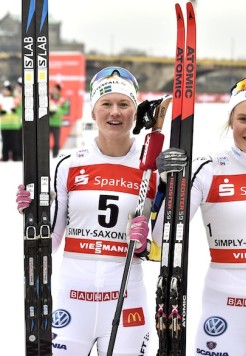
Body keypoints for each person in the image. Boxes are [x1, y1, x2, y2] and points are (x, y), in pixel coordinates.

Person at [152, 77, 246, 355]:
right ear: (230, 121)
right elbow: (161, 240)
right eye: (243, 119)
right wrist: (165, 187)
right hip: (222, 313)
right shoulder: (207, 170)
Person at [16, 67, 157, 355]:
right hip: (72, 303)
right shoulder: (68, 164)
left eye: (123, 104)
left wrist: (146, 244)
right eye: (105, 104)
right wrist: (34, 214)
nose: (114, 112)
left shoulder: (150, 168)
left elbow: (164, 246)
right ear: (93, 112)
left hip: (127, 301)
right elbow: (51, 242)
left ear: (135, 111)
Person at [0, 80, 22, 161]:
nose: (4, 91)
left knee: (14, 143)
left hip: (14, 125)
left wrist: (15, 110)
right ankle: (5, 157)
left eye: (5, 90)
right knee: (5, 143)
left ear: (9, 91)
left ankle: (15, 157)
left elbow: (20, 110)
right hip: (4, 125)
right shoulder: (1, 100)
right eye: (3, 90)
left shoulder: (15, 99)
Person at [49, 83, 69, 158]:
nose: (53, 90)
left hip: (56, 123)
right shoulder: (48, 97)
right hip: (46, 123)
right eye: (53, 88)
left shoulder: (62, 100)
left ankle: (55, 155)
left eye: (55, 89)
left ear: (59, 90)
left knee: (56, 141)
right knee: (44, 140)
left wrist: (56, 112)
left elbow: (65, 110)